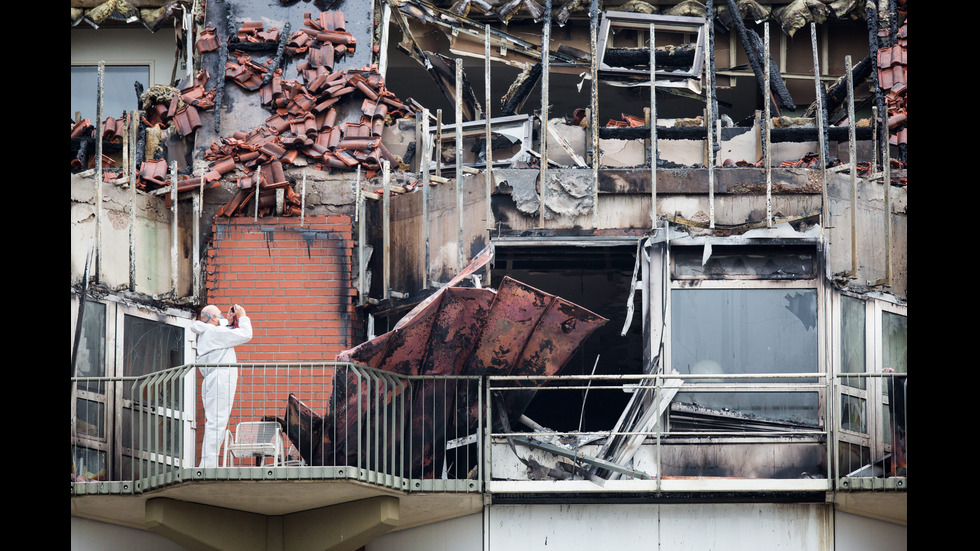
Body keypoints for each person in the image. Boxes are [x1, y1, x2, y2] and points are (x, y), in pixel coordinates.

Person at [191, 303, 253, 467]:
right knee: (216, 422)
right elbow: (246, 334)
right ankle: (208, 466)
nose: (223, 319)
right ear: (213, 319)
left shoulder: (210, 333)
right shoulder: (213, 332)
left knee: (214, 422)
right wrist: (243, 316)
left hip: (214, 380)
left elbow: (226, 331)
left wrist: (230, 321)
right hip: (220, 380)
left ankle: (207, 463)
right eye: (220, 316)